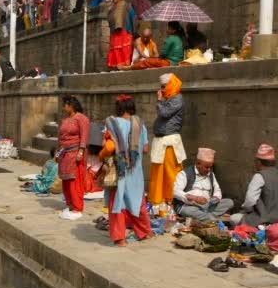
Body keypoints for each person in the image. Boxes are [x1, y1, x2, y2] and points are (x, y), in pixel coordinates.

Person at [99, 94, 152, 247]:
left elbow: (107, 146)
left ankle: (120, 239)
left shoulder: (111, 123)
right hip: (135, 172)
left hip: (119, 171)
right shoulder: (140, 124)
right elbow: (146, 148)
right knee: (138, 203)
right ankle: (145, 232)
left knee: (118, 204)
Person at [148, 73, 186, 205]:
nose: (162, 90)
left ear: (171, 85)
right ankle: (157, 201)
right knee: (157, 172)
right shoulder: (168, 99)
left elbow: (164, 113)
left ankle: (172, 200)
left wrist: (159, 100)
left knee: (171, 172)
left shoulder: (177, 98)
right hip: (160, 140)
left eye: (164, 86)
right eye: (161, 87)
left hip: (170, 141)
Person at [173, 148, 234, 222]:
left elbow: (217, 189)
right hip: (189, 206)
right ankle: (211, 218)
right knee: (189, 211)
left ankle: (206, 217)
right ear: (198, 163)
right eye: (207, 167)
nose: (209, 169)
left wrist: (216, 198)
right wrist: (195, 198)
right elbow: (175, 191)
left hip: (208, 205)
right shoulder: (184, 174)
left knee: (229, 202)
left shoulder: (211, 174)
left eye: (210, 167)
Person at [57, 96, 90, 220]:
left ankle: (77, 207)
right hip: (64, 153)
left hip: (75, 153)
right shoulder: (65, 120)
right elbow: (60, 137)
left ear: (71, 105)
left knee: (74, 181)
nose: (64, 107)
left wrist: (80, 152)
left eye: (65, 105)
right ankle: (70, 204)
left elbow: (84, 136)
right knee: (66, 181)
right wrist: (58, 152)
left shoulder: (82, 119)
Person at [231, 144, 278, 227]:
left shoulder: (259, 176)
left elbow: (250, 201)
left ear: (259, 162)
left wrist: (247, 211)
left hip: (264, 220)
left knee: (233, 218)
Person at [107, 0, 134, 69]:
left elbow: (132, 17)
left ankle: (126, 66)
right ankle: (118, 66)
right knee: (116, 49)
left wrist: (133, 31)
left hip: (125, 30)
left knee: (125, 49)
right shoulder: (112, 8)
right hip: (115, 32)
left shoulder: (126, 5)